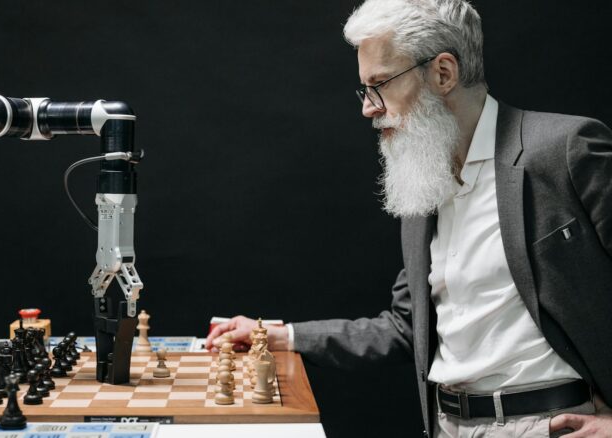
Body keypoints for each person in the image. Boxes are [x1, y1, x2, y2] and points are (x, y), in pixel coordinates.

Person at [205, 1, 612, 436]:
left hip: (554, 425)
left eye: (380, 84)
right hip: (446, 426)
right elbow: (406, 327)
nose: (368, 108)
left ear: (443, 73)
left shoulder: (565, 149)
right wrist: (276, 334)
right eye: (365, 89)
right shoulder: (424, 181)